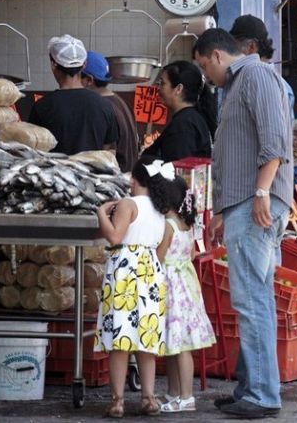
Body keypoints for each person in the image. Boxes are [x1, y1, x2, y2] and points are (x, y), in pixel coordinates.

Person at [193, 28, 293, 419]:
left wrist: (262, 194)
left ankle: (263, 395)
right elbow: (239, 151)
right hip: (244, 203)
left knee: (251, 300)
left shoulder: (256, 76)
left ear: (217, 55)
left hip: (257, 203)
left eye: (204, 66)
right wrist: (221, 210)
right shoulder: (236, 86)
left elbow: (275, 143)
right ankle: (251, 388)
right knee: (254, 299)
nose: (205, 75)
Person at [93, 155, 171, 418]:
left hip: (125, 272)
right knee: (146, 340)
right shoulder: (161, 209)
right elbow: (161, 252)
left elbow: (114, 236)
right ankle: (149, 398)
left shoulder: (128, 204)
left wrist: (101, 214)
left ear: (132, 179)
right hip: (151, 272)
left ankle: (117, 401)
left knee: (121, 339)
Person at [155, 176, 216, 413]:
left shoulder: (168, 225)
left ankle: (186, 396)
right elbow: (191, 254)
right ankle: (173, 392)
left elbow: (159, 256)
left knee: (179, 346)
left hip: (170, 287)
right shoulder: (186, 225)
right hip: (186, 287)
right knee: (174, 343)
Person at [28, 34, 119, 156]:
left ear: (53, 65)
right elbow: (108, 149)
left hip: (53, 174)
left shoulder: (42, 107)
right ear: (84, 64)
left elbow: (32, 150)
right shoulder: (105, 106)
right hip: (91, 174)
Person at [142, 60, 217, 162]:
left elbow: (178, 172)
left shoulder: (184, 125)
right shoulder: (191, 118)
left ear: (178, 89)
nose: (158, 88)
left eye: (162, 83)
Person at [229, 14, 295, 122]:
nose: (232, 55)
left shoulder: (271, 85)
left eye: (234, 49)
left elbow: (274, 135)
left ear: (252, 47)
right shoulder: (242, 80)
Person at [81, 51, 139, 172]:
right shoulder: (121, 102)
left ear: (88, 80)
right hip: (128, 176)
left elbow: (105, 154)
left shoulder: (99, 108)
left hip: (115, 181)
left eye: (76, 77)